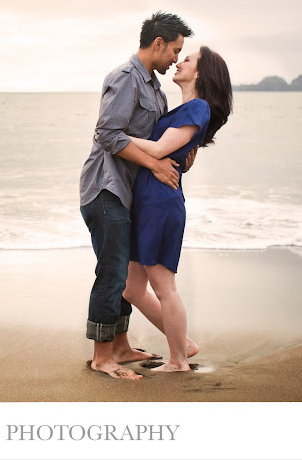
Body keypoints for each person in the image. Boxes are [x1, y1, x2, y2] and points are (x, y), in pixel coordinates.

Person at [79, 11, 194, 380]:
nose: (176, 58)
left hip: (129, 195)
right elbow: (108, 135)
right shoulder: (124, 78)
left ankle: (122, 347)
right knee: (112, 273)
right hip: (105, 189)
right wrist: (155, 165)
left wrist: (179, 156)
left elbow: (160, 145)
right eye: (175, 50)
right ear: (157, 43)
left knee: (127, 275)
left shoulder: (155, 90)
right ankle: (101, 357)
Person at [123, 46, 233, 372]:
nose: (179, 61)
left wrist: (116, 136)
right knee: (132, 289)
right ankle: (182, 343)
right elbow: (166, 151)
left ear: (201, 73)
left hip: (160, 204)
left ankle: (178, 361)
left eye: (188, 59)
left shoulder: (197, 108)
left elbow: (158, 149)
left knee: (164, 286)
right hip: (147, 201)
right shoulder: (183, 109)